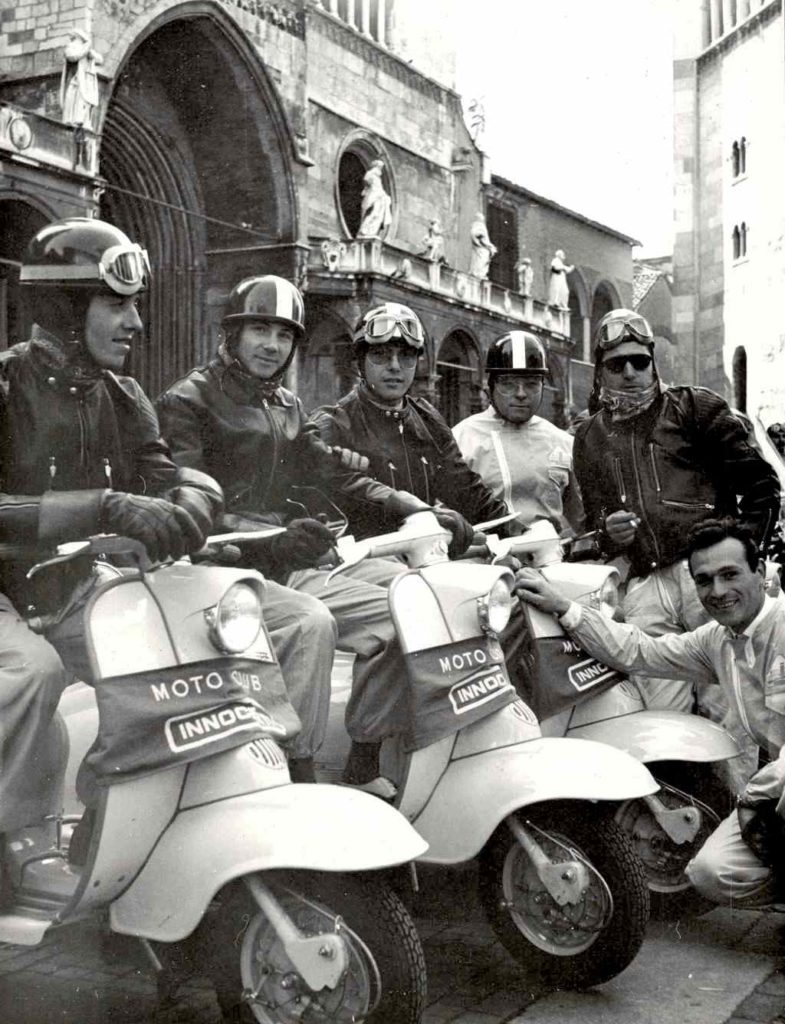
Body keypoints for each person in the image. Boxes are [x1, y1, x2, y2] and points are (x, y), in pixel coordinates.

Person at [156, 278, 467, 795]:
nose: (271, 345)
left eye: (283, 334)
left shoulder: (286, 404)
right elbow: (188, 508)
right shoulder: (187, 400)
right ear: (232, 334)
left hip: (289, 559)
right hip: (220, 570)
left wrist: (406, 503)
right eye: (259, 329)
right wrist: (272, 539)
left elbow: (325, 475)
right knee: (310, 623)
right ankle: (295, 773)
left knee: (411, 601)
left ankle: (363, 755)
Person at [0, 217, 223, 827]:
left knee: (178, 655)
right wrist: (101, 504)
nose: (136, 323)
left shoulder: (123, 396)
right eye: (116, 304)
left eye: (136, 305)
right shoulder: (3, 383)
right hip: (4, 594)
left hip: (68, 588)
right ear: (66, 305)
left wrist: (195, 504)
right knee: (31, 672)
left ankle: (114, 814)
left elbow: (171, 475)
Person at [515, 518, 785, 908]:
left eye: (730, 575)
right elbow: (640, 650)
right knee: (711, 873)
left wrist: (757, 794)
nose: (719, 591)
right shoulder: (718, 640)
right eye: (705, 580)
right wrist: (565, 608)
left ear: (759, 573)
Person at [572, 309, 779, 780]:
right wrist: (609, 532)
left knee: (731, 710)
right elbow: (592, 521)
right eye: (617, 363)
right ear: (600, 368)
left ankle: (749, 817)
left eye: (639, 362)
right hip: (644, 584)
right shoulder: (588, 435)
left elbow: (763, 485)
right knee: (660, 717)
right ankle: (691, 822)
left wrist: (744, 558)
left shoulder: (694, 407)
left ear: (653, 363)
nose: (629, 372)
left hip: (705, 578)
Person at [310, 301, 509, 546]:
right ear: (359, 362)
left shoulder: (427, 419)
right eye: (380, 355)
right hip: (364, 563)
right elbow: (339, 492)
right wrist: (427, 514)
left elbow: (467, 491)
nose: (394, 366)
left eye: (405, 355)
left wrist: (516, 530)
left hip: (429, 555)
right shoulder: (332, 424)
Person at [453, 331, 583, 535]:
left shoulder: (563, 442)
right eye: (508, 383)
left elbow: (581, 518)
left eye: (531, 384)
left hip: (547, 557)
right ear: (491, 385)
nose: (521, 393)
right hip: (483, 560)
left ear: (542, 386)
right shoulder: (462, 440)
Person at [356, 159, 392, 240]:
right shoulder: (370, 174)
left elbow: (380, 188)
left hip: (379, 197)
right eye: (379, 167)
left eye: (381, 167)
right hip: (373, 196)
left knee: (377, 214)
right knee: (372, 213)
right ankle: (364, 230)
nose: (380, 169)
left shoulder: (378, 179)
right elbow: (366, 181)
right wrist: (370, 188)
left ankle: (371, 231)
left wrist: (385, 196)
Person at [469, 212, 497, 280]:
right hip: (481, 249)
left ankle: (479, 274)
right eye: (481, 218)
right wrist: (490, 246)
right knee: (480, 261)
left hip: (483, 248)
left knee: (483, 262)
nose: (482, 220)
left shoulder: (478, 226)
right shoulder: (478, 225)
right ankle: (478, 274)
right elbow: (476, 234)